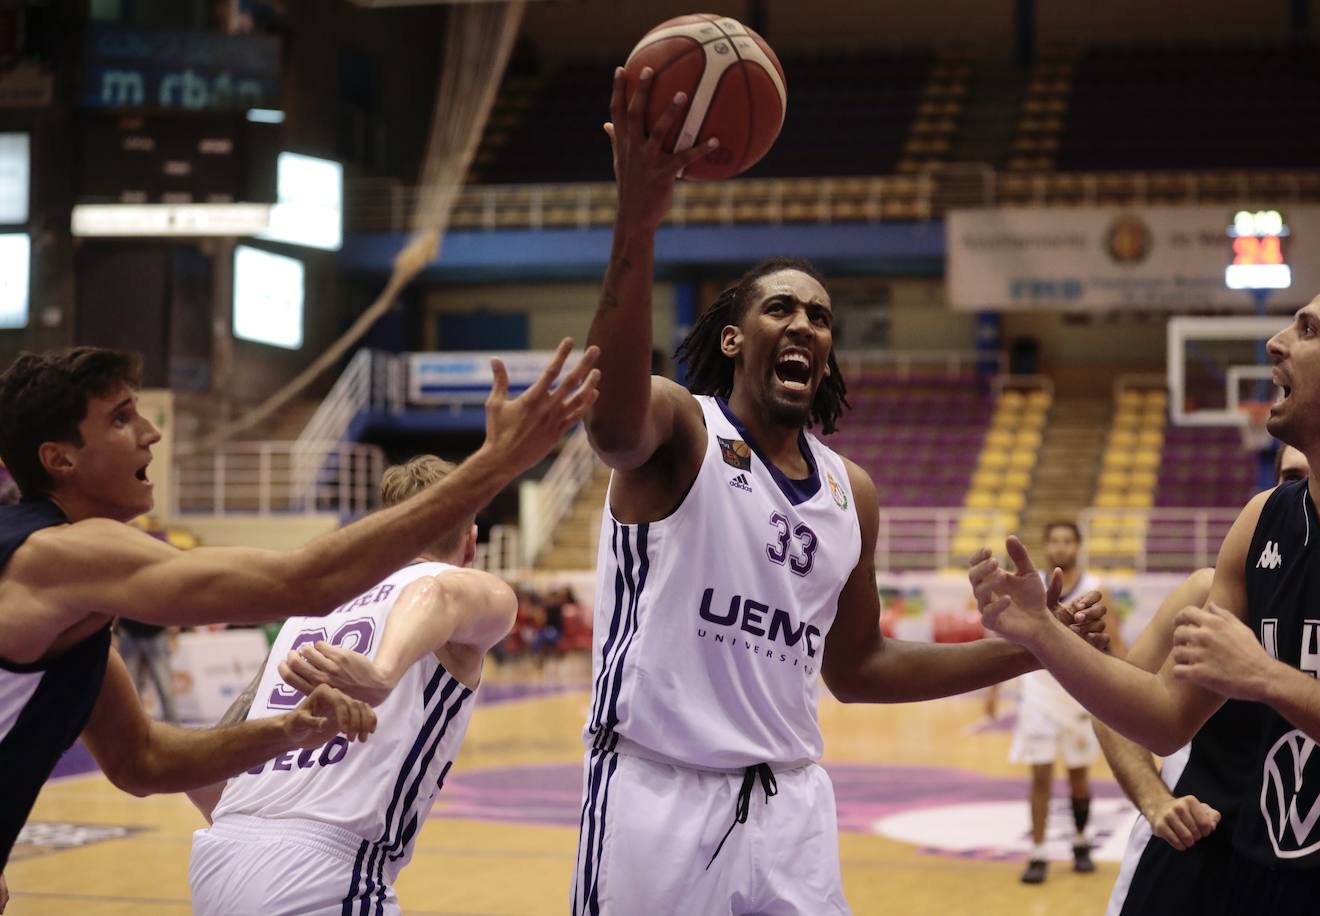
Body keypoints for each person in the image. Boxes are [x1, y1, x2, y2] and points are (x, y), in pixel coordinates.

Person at [558, 67, 1110, 915]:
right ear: (736, 337)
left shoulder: (853, 492)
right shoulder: (681, 428)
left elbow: (860, 667)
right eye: (783, 309)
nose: (806, 326)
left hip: (791, 806)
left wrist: (1035, 644)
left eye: (820, 318)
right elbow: (611, 423)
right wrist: (638, 220)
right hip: (655, 796)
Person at [0, 340, 598, 871]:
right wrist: (496, 463)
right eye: (121, 418)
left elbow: (143, 761)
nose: (152, 432)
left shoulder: (69, 607)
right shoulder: (61, 552)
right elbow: (306, 580)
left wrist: (287, 731)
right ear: (60, 460)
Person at [969, 282, 1320, 914]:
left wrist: (1269, 679)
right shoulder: (1259, 523)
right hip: (1254, 876)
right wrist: (1043, 635)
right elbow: (1163, 716)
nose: (1276, 343)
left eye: (1309, 329)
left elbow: (1260, 681)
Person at [183, 454, 517, 915]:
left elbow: (203, 771)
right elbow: (440, 592)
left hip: (221, 855)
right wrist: (383, 673)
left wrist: (258, 843)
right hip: (326, 870)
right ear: (470, 542)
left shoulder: (313, 609)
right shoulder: (450, 585)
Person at [1101, 444, 1310, 916]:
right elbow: (1114, 709)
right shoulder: (1206, 591)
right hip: (1194, 850)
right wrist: (1155, 801)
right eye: (1291, 478)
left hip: (1304, 861)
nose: (1304, 493)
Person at [985, 521, 1114, 883]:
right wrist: (995, 691)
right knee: (1040, 775)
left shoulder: (1094, 589)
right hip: (1038, 692)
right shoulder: (1031, 587)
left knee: (1078, 776)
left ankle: (1081, 841)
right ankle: (1038, 852)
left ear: (1078, 545)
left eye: (1067, 541)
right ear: (1046, 545)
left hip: (1078, 694)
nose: (1061, 547)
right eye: (1054, 540)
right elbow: (1008, 641)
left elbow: (1113, 643)